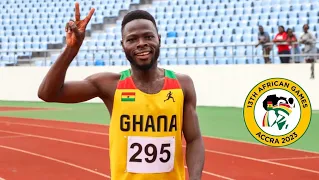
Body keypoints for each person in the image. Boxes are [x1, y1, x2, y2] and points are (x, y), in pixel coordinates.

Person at [37, 3, 205, 180]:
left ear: (159, 39)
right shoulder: (110, 85)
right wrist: (71, 49)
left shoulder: (182, 85)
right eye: (132, 39)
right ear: (122, 44)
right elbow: (48, 93)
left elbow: (194, 139)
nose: (141, 44)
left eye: (148, 36)